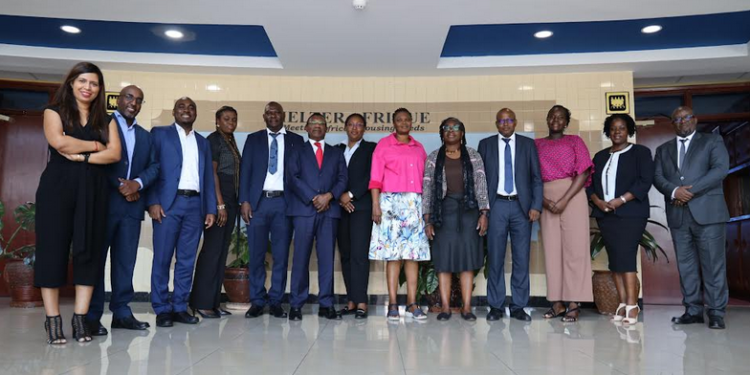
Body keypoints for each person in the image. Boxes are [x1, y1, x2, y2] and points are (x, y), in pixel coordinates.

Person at [34, 61, 122, 344]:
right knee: (52, 250)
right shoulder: (54, 111)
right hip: (57, 188)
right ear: (71, 82)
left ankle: (80, 319)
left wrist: (84, 154)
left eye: (94, 83)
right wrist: (96, 146)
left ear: (99, 89)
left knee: (90, 252)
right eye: (83, 81)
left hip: (94, 190)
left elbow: (115, 154)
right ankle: (53, 320)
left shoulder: (106, 120)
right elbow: (59, 143)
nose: (88, 87)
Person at [86, 85, 158, 335]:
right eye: (129, 97)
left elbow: (154, 167)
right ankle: (92, 315)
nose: (133, 103)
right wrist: (122, 186)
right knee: (96, 261)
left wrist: (137, 184)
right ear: (118, 100)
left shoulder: (145, 136)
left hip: (132, 207)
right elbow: (94, 162)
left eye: (139, 100)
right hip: (104, 205)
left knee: (125, 262)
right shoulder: (100, 125)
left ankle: (121, 313)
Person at [653, 106, 730, 330]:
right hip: (678, 216)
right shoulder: (663, 149)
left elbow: (719, 170)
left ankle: (716, 312)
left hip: (708, 214)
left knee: (713, 264)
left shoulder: (712, 142)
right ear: (672, 123)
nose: (682, 122)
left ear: (694, 120)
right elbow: (658, 177)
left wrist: (689, 191)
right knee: (686, 265)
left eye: (686, 118)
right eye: (677, 119)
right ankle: (693, 310)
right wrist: (675, 191)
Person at [147, 97, 217, 328]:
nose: (186, 110)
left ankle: (179, 307)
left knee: (186, 260)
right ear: (174, 111)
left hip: (195, 206)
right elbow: (150, 168)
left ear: (196, 113)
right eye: (181, 107)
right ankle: (161, 308)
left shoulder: (202, 142)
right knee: (163, 258)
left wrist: (210, 209)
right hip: (168, 204)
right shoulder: (159, 134)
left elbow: (207, 177)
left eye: (191, 107)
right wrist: (153, 202)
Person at [588, 114, 654, 325]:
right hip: (605, 216)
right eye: (613, 128)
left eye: (622, 128)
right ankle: (623, 303)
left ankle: (633, 305)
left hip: (631, 214)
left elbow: (645, 181)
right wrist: (598, 202)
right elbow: (589, 184)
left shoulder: (640, 153)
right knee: (615, 261)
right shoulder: (599, 157)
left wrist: (621, 200)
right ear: (608, 131)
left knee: (626, 259)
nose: (617, 132)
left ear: (629, 131)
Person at [240, 102, 304, 319]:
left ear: (283, 115)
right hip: (258, 203)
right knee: (256, 255)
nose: (274, 116)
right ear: (264, 116)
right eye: (269, 112)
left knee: (281, 255)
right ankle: (257, 300)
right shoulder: (253, 139)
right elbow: (245, 171)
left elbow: (301, 175)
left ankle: (276, 300)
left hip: (284, 204)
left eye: (277, 112)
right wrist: (244, 201)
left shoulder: (296, 141)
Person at [478, 108, 543, 322]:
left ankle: (518, 306)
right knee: (495, 257)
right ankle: (495, 306)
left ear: (515, 123)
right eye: (501, 121)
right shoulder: (486, 145)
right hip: (496, 206)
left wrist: (536, 205)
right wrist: (484, 210)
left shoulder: (527, 144)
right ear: (497, 124)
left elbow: (536, 177)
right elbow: (481, 181)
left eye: (509, 120)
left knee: (521, 258)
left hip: (521, 208)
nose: (505, 124)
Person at [423, 117, 489, 321]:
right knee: (444, 261)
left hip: (469, 212)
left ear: (462, 132)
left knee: (467, 262)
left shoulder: (473, 155)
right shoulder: (434, 157)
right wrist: (428, 219)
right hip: (443, 213)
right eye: (447, 128)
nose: (451, 131)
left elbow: (481, 185)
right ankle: (444, 307)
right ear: (441, 133)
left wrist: (484, 213)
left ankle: (466, 307)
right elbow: (427, 189)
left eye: (456, 127)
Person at [369, 108, 430, 321]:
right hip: (390, 204)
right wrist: (376, 205)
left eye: (407, 119)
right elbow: (375, 179)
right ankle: (393, 303)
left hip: (414, 204)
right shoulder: (384, 145)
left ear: (411, 122)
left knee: (412, 256)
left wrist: (426, 210)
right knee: (393, 256)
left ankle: (413, 304)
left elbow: (425, 180)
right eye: (399, 120)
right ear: (393, 123)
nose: (403, 123)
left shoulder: (419, 147)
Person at [535, 105, 594, 323]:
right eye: (552, 116)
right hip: (545, 197)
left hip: (573, 195)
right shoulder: (537, 144)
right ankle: (557, 302)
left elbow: (584, 170)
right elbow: (531, 176)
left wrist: (564, 200)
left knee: (575, 249)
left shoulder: (575, 141)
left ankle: (574, 302)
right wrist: (544, 201)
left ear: (566, 121)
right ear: (547, 119)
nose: (555, 119)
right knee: (552, 251)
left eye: (560, 117)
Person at [286, 113, 348, 321]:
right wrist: (314, 197)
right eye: (313, 123)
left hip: (329, 211)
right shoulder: (296, 151)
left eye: (321, 123)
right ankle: (296, 304)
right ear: (306, 127)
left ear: (326, 128)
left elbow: (342, 178)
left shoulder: (336, 153)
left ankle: (326, 304)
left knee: (327, 259)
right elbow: (292, 178)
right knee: (301, 258)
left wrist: (329, 196)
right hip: (304, 210)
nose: (317, 126)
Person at [190, 106, 241, 319]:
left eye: (234, 119)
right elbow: (212, 173)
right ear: (217, 121)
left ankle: (213, 302)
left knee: (221, 253)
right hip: (219, 200)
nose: (231, 122)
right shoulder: (214, 140)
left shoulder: (230, 140)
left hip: (231, 200)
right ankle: (200, 303)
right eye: (226, 118)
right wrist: (219, 204)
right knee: (211, 251)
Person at [336, 114, 376, 319]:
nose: (355, 128)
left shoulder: (371, 148)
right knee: (346, 255)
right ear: (345, 127)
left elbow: (372, 176)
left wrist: (350, 195)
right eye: (351, 124)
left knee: (359, 255)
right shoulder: (336, 149)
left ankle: (361, 301)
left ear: (364, 129)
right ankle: (351, 300)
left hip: (361, 207)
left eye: (359, 125)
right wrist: (340, 198)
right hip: (339, 209)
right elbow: (330, 176)